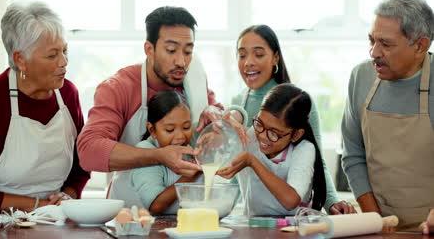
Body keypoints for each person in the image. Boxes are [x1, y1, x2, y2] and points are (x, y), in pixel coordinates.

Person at [77, 6, 246, 208]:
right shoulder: (118, 88)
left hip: (183, 213)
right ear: (149, 49)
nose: (181, 61)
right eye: (171, 50)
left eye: (188, 51)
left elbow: (226, 117)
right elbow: (88, 151)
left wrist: (223, 114)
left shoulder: (194, 82)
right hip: (129, 213)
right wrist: (158, 156)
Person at [0, 2, 90, 213]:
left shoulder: (68, 94)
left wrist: (68, 195)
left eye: (65, 50)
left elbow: (81, 167)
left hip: (55, 219)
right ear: (20, 59)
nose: (64, 62)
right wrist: (37, 206)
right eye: (52, 55)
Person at [231, 24, 355, 214]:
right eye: (242, 55)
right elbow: (233, 163)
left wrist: (331, 201)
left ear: (275, 58)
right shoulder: (237, 104)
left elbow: (316, 160)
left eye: (258, 54)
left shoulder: (296, 103)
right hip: (255, 215)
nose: (248, 62)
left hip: (292, 215)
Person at [341, 0, 434, 229]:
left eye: (386, 44)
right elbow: (353, 155)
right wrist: (378, 222)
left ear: (420, 46)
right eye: (372, 41)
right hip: (379, 226)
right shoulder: (360, 77)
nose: (374, 53)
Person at [219, 84, 326, 215]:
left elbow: (290, 200)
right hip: (254, 227)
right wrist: (223, 127)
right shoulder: (252, 135)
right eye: (259, 123)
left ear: (296, 134)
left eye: (275, 133)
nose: (263, 136)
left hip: (292, 229)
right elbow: (225, 131)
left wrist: (252, 162)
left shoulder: (304, 150)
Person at [131, 90, 202, 215]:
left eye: (186, 127)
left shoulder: (193, 142)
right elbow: (155, 206)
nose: (180, 136)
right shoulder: (145, 151)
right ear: (152, 130)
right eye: (170, 130)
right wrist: (190, 176)